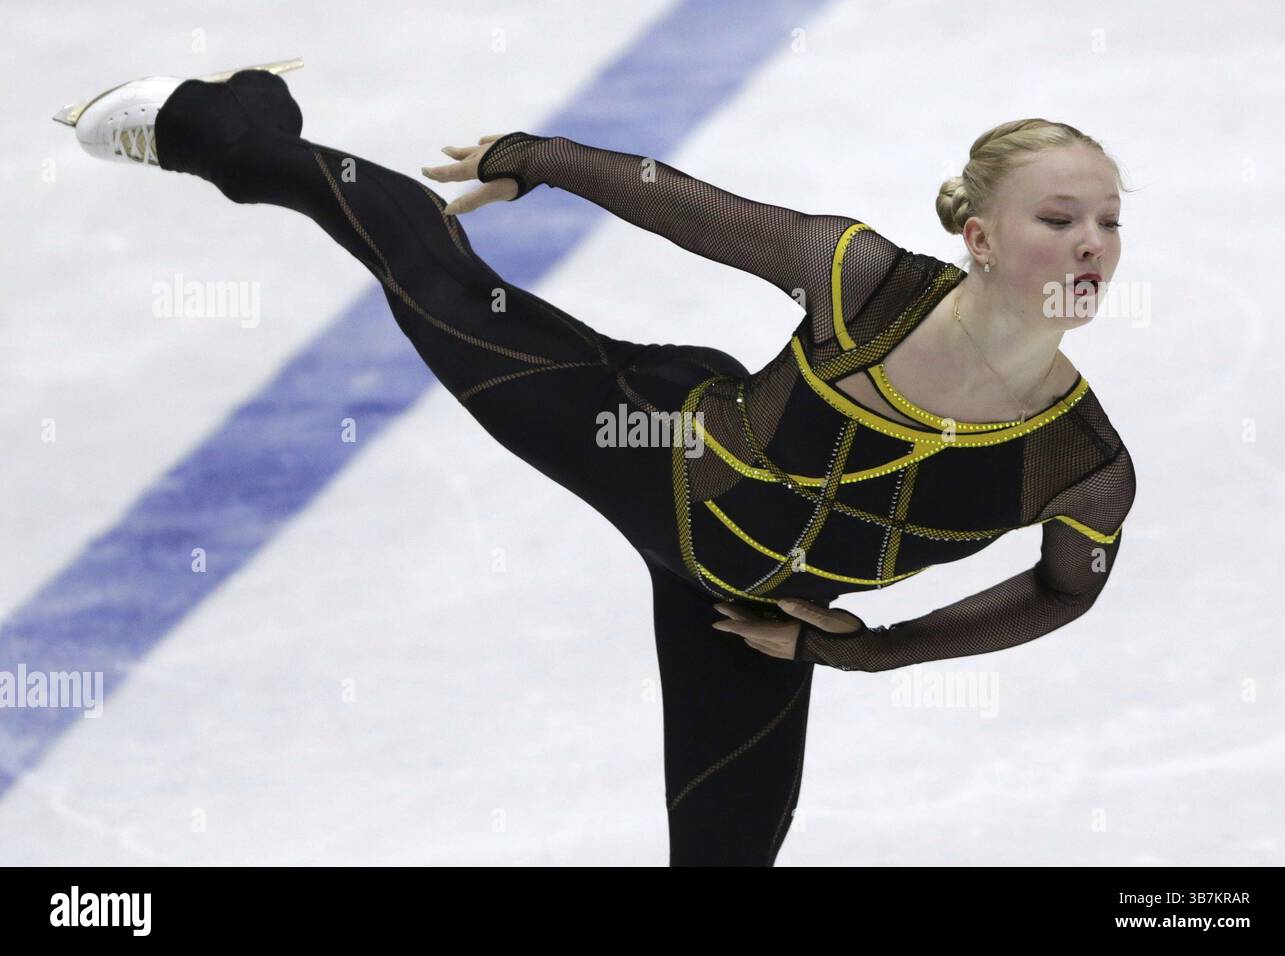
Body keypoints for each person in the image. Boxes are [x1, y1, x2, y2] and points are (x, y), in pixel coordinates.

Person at [55, 59, 1135, 866]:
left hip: (749, 618)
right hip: (652, 445)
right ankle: (222, 129)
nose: (1091, 242)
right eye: (1059, 216)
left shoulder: (1082, 465)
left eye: (1107, 221)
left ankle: (249, 122)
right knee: (431, 271)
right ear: (980, 237)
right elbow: (689, 207)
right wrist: (534, 159)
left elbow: (1059, 591)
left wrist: (866, 651)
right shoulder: (863, 282)